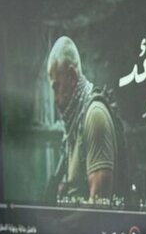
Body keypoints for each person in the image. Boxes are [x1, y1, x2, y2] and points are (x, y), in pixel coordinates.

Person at [47, 36, 120, 203]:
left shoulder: (94, 116)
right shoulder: (74, 124)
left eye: (57, 87)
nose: (54, 99)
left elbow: (99, 208)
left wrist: (58, 220)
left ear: (72, 76)